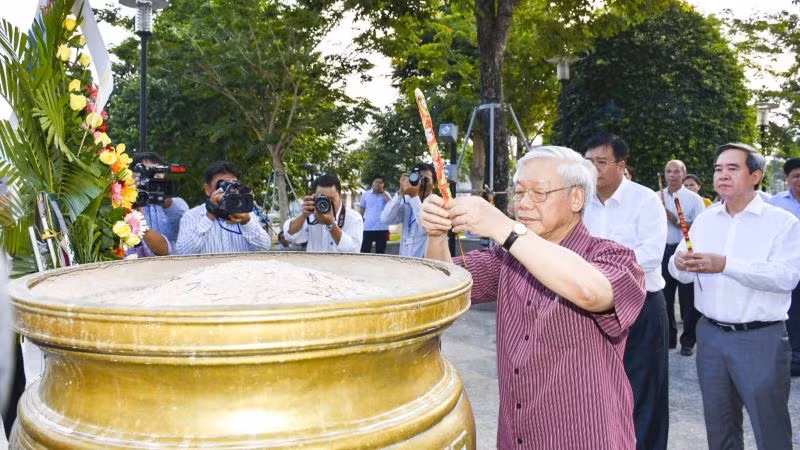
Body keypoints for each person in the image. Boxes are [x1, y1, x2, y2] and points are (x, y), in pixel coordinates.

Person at [421, 145, 646, 449]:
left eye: (538, 193)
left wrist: (504, 227)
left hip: (586, 438)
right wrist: (436, 234)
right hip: (518, 437)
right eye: (518, 193)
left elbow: (591, 292)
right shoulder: (506, 259)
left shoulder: (613, 257)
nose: (523, 205)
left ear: (576, 197)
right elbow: (443, 286)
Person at [669, 143, 800, 449]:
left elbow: (786, 277)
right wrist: (679, 264)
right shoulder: (706, 219)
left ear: (756, 176)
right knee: (720, 427)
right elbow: (681, 271)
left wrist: (727, 265)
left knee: (770, 428)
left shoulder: (782, 223)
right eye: (718, 169)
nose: (722, 175)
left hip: (760, 339)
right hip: (711, 336)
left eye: (732, 168)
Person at [582, 133, 669, 450]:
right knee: (600, 387)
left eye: (601, 162)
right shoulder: (579, 202)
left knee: (643, 391)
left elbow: (649, 256)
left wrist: (595, 268)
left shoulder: (644, 201)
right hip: (592, 306)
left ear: (621, 165)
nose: (593, 169)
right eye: (588, 162)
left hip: (642, 307)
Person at [176, 161, 271, 254]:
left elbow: (265, 248)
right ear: (207, 189)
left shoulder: (246, 213)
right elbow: (182, 252)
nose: (228, 191)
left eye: (233, 185)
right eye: (222, 186)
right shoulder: (191, 216)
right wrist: (210, 215)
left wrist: (247, 223)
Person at [660, 159, 705, 354]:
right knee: (665, 298)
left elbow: (701, 226)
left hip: (685, 251)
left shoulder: (694, 199)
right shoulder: (656, 197)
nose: (671, 175)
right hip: (662, 250)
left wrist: (677, 220)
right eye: (668, 171)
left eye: (676, 171)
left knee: (688, 299)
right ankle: (669, 339)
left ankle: (688, 341)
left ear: (684, 175)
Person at [769, 157, 800, 375]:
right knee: (793, 311)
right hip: (788, 267)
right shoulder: (775, 204)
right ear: (787, 178)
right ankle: (795, 357)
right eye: (797, 176)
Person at [283, 173, 363, 252]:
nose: (326, 203)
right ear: (314, 196)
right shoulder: (311, 215)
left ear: (340, 196)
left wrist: (331, 225)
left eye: (331, 199)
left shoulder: (353, 218)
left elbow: (353, 249)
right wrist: (303, 215)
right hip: (314, 264)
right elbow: (290, 235)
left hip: (340, 265)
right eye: (322, 199)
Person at [131, 152, 189, 247]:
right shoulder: (125, 202)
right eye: (146, 172)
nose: (153, 177)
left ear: (164, 174)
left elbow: (186, 231)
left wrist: (168, 204)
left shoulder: (177, 204)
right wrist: (132, 198)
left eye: (158, 171)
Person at [381, 163, 435, 258]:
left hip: (426, 264)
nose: (421, 183)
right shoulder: (407, 201)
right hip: (405, 262)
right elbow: (386, 219)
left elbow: (426, 228)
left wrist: (414, 197)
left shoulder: (436, 204)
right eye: (419, 178)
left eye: (426, 179)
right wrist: (400, 193)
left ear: (434, 184)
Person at [358, 175, 391, 254]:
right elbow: (362, 209)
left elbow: (391, 206)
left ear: (383, 184)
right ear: (373, 183)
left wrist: (383, 193)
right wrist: (359, 222)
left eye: (380, 182)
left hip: (382, 228)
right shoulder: (365, 195)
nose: (378, 184)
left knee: (381, 253)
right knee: (365, 251)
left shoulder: (386, 194)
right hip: (368, 227)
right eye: (376, 182)